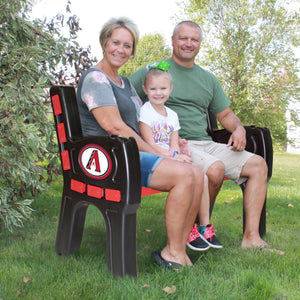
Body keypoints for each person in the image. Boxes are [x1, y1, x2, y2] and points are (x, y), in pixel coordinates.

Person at [129, 20, 283, 254]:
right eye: (183, 38)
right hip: (177, 145)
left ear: (200, 44)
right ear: (173, 41)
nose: (188, 43)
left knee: (258, 165)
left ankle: (251, 238)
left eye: (194, 39)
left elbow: (226, 113)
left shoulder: (207, 78)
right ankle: (195, 228)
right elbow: (124, 92)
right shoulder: (156, 70)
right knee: (215, 169)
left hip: (206, 142)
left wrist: (238, 129)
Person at [76, 17, 206, 269]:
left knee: (197, 174)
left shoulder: (124, 83)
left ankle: (176, 249)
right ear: (105, 42)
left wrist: (174, 144)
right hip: (110, 157)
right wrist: (161, 153)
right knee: (183, 175)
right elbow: (114, 126)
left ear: (132, 51)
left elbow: (144, 122)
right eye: (116, 42)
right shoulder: (96, 78)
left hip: (131, 152)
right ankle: (175, 252)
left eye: (127, 46)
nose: (121, 50)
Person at [139, 61, 222, 251]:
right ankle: (189, 229)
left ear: (170, 89)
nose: (158, 93)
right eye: (153, 88)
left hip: (170, 156)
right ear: (145, 89)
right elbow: (149, 143)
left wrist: (177, 154)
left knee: (201, 175)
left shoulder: (172, 115)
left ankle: (204, 227)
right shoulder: (146, 111)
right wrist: (172, 157)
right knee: (190, 175)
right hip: (155, 157)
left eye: (163, 88)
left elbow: (174, 141)